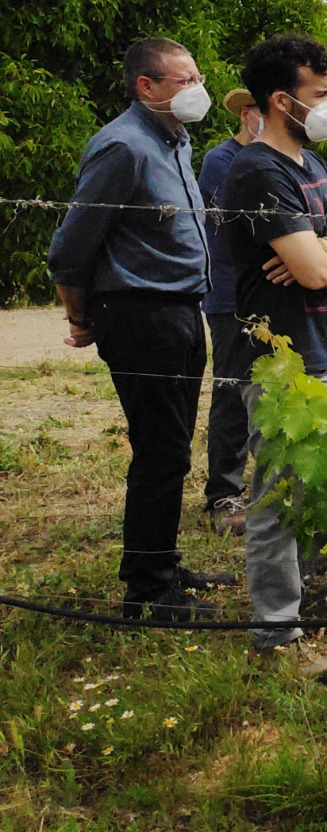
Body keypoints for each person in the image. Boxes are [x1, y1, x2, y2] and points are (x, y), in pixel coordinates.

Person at [48, 36, 234, 622]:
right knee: (159, 450)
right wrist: (81, 316)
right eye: (184, 81)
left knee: (172, 447)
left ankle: (161, 561)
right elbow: (69, 249)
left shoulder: (174, 142)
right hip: (141, 313)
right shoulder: (122, 147)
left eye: (198, 77)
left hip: (180, 311)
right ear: (146, 87)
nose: (197, 90)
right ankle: (149, 593)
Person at [222, 35, 327, 683]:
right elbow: (322, 264)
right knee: (280, 495)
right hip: (283, 359)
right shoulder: (258, 171)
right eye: (320, 96)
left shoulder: (314, 165)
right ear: (280, 100)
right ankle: (276, 633)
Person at [197, 87, 261, 535]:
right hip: (230, 295)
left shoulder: (288, 159)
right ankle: (224, 492)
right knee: (232, 391)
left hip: (272, 295)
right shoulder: (223, 160)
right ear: (247, 112)